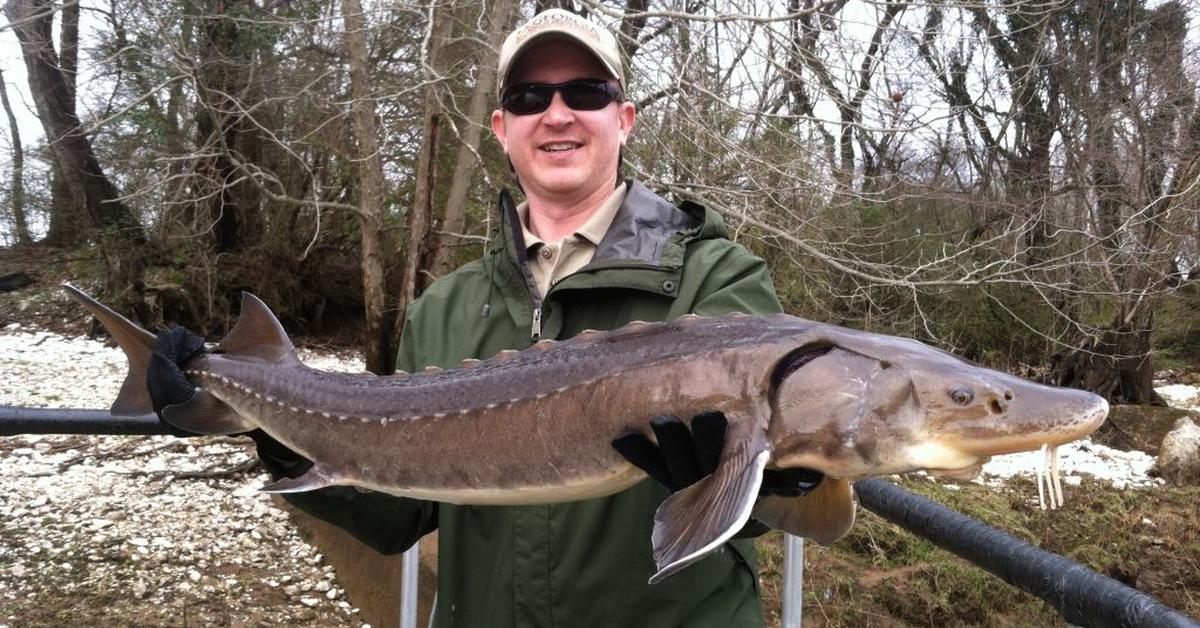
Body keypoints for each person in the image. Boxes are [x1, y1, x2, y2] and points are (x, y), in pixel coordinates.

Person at [153, 9, 818, 627]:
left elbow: (781, 502)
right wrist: (273, 429)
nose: (557, 115)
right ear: (502, 129)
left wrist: (769, 477)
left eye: (584, 92)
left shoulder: (718, 279)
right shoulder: (442, 307)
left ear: (625, 118)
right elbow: (398, 512)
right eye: (530, 98)